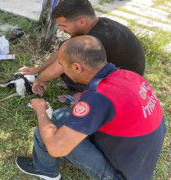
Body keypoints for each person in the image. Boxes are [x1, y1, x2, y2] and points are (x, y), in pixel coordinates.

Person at [15, 35, 165, 180]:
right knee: (64, 116)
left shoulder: (99, 97)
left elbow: (56, 148)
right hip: (140, 167)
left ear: (77, 67)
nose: (62, 69)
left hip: (121, 176)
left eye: (62, 65)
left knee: (52, 123)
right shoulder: (129, 76)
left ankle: (44, 170)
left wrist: (41, 111)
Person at [20, 0, 145, 105]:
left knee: (69, 64)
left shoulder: (97, 39)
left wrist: (39, 79)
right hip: (120, 75)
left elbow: (58, 68)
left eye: (64, 25)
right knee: (65, 47)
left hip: (124, 88)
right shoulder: (95, 25)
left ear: (81, 21)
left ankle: (83, 94)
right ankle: (78, 86)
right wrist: (39, 69)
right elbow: (63, 51)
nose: (61, 29)